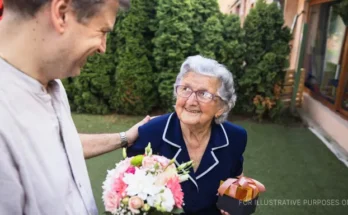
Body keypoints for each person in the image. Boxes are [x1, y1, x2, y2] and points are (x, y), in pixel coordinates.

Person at [0, 0, 150, 214]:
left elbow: (59, 145)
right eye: (102, 31)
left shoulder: (53, 85)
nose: (103, 48)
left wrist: (124, 137)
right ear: (61, 14)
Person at [127, 55, 248, 215]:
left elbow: (238, 181)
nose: (191, 101)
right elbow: (126, 187)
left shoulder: (234, 137)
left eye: (204, 94)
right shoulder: (151, 133)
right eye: (185, 89)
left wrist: (238, 201)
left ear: (221, 108)